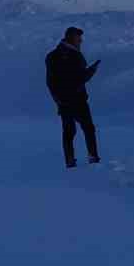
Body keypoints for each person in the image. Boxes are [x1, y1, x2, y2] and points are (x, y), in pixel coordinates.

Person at [45, 26, 101, 168]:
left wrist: (58, 100)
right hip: (77, 99)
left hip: (63, 100)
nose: (81, 41)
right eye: (79, 38)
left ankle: (70, 160)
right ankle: (93, 157)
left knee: (69, 131)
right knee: (88, 128)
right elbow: (80, 78)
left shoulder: (52, 56)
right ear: (71, 38)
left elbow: (50, 82)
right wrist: (92, 70)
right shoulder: (75, 56)